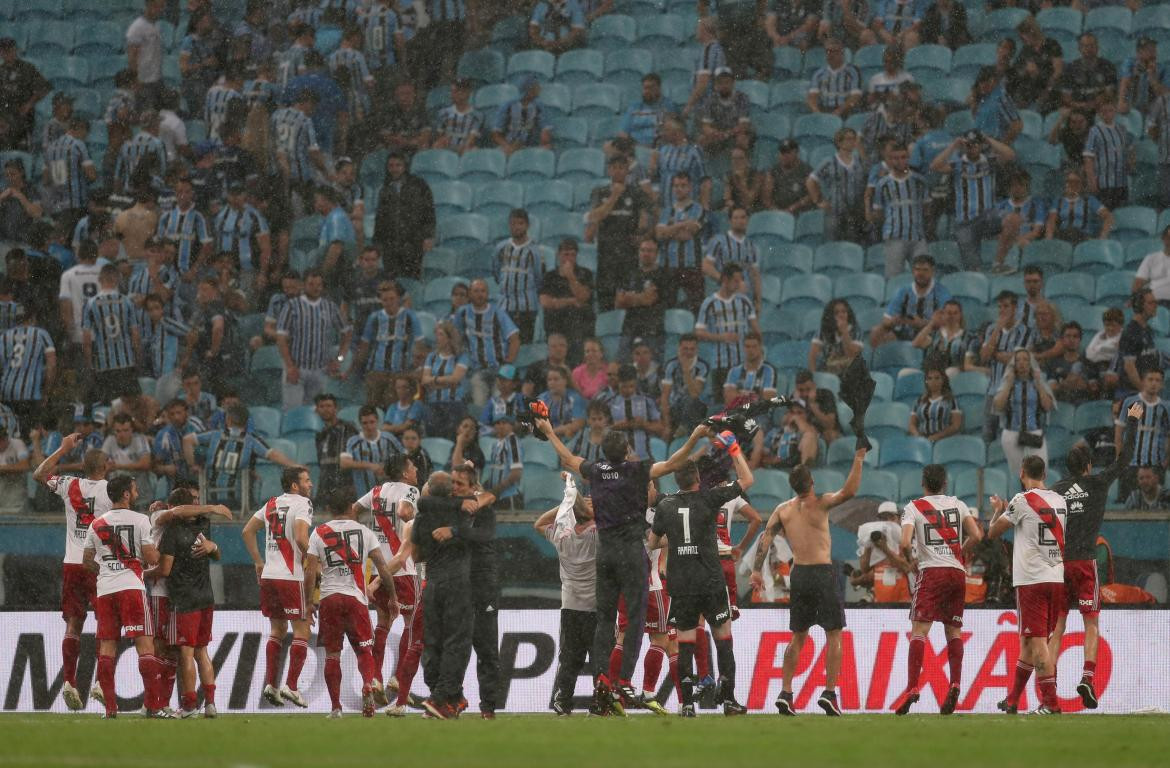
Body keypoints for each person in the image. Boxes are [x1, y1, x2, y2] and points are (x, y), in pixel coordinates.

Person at [534, 414, 711, 714]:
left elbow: (567, 459)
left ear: (604, 452)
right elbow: (673, 463)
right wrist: (694, 436)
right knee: (635, 619)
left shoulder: (597, 471)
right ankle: (624, 681)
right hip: (630, 552)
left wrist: (549, 431)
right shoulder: (638, 471)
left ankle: (603, 674)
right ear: (627, 451)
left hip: (606, 553)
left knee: (605, 619)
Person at [648, 432, 754, 717]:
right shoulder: (710, 498)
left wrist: (676, 539)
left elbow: (652, 543)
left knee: (684, 643)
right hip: (710, 580)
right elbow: (747, 481)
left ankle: (686, 704)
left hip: (682, 584)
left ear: (676, 480)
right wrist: (733, 448)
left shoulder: (666, 505)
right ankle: (729, 700)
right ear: (697, 478)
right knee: (723, 639)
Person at [762, 446, 867, 715]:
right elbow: (850, 491)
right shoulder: (821, 503)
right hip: (821, 573)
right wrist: (858, 458)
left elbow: (766, 539)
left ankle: (786, 692)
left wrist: (753, 570)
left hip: (799, 575)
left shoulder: (783, 510)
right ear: (811, 482)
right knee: (834, 634)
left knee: (798, 637)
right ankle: (830, 693)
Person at [1050, 403, 1140, 709]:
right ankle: (1087, 678)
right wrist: (1131, 422)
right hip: (1085, 562)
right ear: (1088, 465)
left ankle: (1049, 690)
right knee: (1090, 623)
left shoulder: (1056, 490)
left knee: (1058, 626)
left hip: (1059, 564)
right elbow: (1125, 459)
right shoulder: (1098, 483)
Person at [891, 464, 984, 715]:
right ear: (945, 483)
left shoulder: (913, 508)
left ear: (923, 483)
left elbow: (903, 542)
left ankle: (912, 688)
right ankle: (954, 684)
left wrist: (911, 558)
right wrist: (961, 552)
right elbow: (977, 534)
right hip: (957, 573)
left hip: (932, 572)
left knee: (919, 631)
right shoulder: (959, 504)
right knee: (953, 630)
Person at [304, 491, 398, 717]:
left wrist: (308, 602)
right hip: (356, 599)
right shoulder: (364, 532)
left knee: (332, 655)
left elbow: (309, 571)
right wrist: (393, 597)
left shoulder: (318, 533)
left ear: (329, 509)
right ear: (350, 506)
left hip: (329, 599)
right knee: (364, 650)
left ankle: (336, 708)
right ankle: (368, 683)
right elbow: (383, 568)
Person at [411, 471, 496, 720]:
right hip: (459, 583)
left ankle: (447, 696)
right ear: (450, 492)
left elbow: (416, 556)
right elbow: (489, 500)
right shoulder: (462, 512)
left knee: (433, 642)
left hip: (432, 583)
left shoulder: (422, 515)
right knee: (456, 643)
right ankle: (443, 697)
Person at [34, 434, 110, 710]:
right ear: (107, 466)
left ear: (82, 465)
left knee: (74, 623)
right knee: (106, 623)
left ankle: (69, 681)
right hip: (98, 564)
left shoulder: (69, 484)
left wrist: (62, 448)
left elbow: (39, 474)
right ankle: (101, 683)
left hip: (72, 562)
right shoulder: (111, 491)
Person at [988, 456, 1068, 715]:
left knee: (1037, 643)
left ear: (1022, 472)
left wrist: (998, 511)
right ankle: (1012, 700)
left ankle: (1050, 702)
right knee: (1030, 641)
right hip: (1055, 576)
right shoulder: (1059, 501)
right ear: (1045, 473)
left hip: (1032, 580)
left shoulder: (1021, 500)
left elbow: (993, 533)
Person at [81, 476, 160, 718]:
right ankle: (152, 707)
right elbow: (152, 557)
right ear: (125, 494)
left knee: (107, 647)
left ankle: (110, 708)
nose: (136, 493)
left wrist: (107, 569)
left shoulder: (96, 524)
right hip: (131, 589)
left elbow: (86, 561)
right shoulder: (140, 520)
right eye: (134, 489)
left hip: (105, 590)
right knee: (145, 646)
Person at [352, 454, 423, 716]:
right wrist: (415, 520)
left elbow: (354, 509)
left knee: (382, 622)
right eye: (413, 466)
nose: (416, 470)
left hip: (377, 565)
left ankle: (376, 678)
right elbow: (405, 512)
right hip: (401, 567)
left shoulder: (376, 491)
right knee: (411, 623)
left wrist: (360, 534)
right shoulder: (411, 490)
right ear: (405, 473)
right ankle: (397, 677)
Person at [239, 466, 316, 708]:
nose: (310, 484)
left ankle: (271, 684)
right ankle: (291, 687)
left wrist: (258, 562)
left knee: (277, 630)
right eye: (306, 480)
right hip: (289, 577)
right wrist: (315, 559)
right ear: (295, 485)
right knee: (302, 630)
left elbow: (247, 531)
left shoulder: (271, 503)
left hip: (270, 576)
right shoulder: (303, 503)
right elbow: (302, 538)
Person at [154, 488, 225, 718]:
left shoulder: (172, 533)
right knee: (202, 652)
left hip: (184, 599)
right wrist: (213, 547)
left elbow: (164, 570)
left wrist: (141, 573)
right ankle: (211, 704)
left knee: (186, 654)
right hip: (207, 597)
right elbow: (216, 554)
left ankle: (189, 706)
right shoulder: (204, 525)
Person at [535, 474, 598, 715]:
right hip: (595, 606)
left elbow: (539, 524)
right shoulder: (598, 536)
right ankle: (600, 700)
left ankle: (563, 699)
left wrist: (566, 503)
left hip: (570, 606)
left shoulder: (564, 536)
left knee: (570, 656)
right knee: (598, 656)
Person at [452, 463, 504, 717]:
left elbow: (483, 537)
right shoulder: (451, 508)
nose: (454, 488)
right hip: (458, 584)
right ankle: (454, 698)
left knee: (486, 647)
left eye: (459, 484)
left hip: (483, 584)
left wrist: (454, 531)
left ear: (473, 488)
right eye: (453, 483)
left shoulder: (485, 512)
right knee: (456, 645)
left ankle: (488, 706)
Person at [930, 129, 1017, 271]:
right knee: (973, 269)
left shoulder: (990, 161)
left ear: (981, 145)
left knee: (1013, 219)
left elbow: (1010, 155)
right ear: (964, 146)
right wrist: (954, 145)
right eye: (969, 145)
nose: (972, 148)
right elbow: (935, 166)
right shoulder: (957, 164)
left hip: (987, 216)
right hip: (964, 222)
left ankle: (998, 263)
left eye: (975, 144)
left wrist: (988, 139)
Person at [276, 268, 352, 409]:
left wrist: (339, 359)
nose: (316, 288)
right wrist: (289, 366)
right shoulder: (292, 306)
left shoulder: (330, 307)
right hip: (296, 368)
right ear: (303, 285)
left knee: (317, 414)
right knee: (293, 413)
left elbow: (347, 333)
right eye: (311, 284)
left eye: (319, 284)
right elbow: (281, 339)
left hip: (320, 370)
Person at [588, 154, 651, 313]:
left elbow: (644, 220)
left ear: (627, 171)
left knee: (630, 299)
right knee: (606, 301)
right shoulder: (600, 192)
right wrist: (614, 196)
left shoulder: (636, 193)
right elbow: (595, 217)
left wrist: (641, 235)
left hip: (629, 256)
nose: (617, 171)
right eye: (614, 168)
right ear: (609, 170)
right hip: (606, 255)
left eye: (621, 168)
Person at [979, 291, 1035, 443]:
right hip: (992, 390)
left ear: (1015, 308)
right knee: (987, 435)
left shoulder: (1026, 332)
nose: (1002, 310)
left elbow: (1017, 360)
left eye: (1006, 306)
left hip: (1012, 391)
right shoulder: (991, 329)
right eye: (999, 307)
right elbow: (983, 357)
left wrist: (994, 353)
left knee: (1009, 437)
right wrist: (998, 329)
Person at [695, 264, 760, 394]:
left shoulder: (744, 301)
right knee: (723, 406)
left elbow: (756, 330)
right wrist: (721, 337)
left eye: (741, 280)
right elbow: (699, 333)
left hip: (743, 363)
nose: (740, 284)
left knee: (744, 403)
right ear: (725, 280)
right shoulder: (709, 303)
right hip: (720, 364)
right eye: (736, 280)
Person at [83, 264, 142, 406]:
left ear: (99, 279)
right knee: (131, 405)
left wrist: (89, 365)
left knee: (109, 407)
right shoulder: (126, 301)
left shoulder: (91, 304)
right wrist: (137, 359)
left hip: (104, 365)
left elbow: (87, 341)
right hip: (126, 363)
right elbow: (135, 335)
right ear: (117, 279)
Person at [372, 151, 435, 281]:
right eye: (391, 166)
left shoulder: (419, 185)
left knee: (412, 280)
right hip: (391, 245)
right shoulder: (385, 189)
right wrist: (377, 243)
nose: (394, 169)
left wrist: (428, 236)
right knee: (392, 282)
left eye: (398, 165)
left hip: (413, 243)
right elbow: (380, 219)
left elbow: (429, 211)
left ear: (405, 166)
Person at [995, 348, 1054, 481]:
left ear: (1031, 363)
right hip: (1012, 433)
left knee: (1039, 473)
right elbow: (998, 406)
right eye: (1018, 360)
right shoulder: (1007, 382)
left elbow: (1047, 406)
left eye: (1025, 360)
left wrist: (1039, 383)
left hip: (1034, 432)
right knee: (1018, 476)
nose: (1022, 363)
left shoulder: (1039, 382)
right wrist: (1009, 383)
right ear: (1013, 364)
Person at [656, 173, 710, 314]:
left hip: (691, 266)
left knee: (696, 310)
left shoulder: (699, 209)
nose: (679, 189)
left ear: (690, 187)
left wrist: (670, 228)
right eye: (676, 186)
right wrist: (684, 223)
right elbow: (659, 234)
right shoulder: (666, 211)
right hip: (668, 267)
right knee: (666, 309)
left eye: (683, 185)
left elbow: (687, 235)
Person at [871, 254, 951, 347]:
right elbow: (886, 319)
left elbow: (946, 321)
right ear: (913, 271)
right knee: (877, 331)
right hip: (905, 332)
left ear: (932, 271)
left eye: (925, 270)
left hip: (929, 333)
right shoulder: (903, 291)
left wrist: (922, 324)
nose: (921, 274)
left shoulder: (941, 292)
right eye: (917, 269)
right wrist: (895, 320)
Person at [1116, 369, 1170, 501]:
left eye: (1157, 380)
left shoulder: (1166, 407)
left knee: (1156, 505)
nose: (1154, 384)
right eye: (1150, 379)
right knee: (1129, 504)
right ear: (1143, 382)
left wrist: (1166, 461)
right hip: (1131, 464)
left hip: (1156, 465)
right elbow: (1119, 432)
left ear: (1162, 384)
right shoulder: (1131, 402)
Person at [0, 305, 55, 434]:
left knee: (11, 431)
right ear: (32, 318)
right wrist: (46, 391)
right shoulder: (41, 334)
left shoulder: (4, 337)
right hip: (31, 394)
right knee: (31, 434)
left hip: (7, 393)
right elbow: (52, 365)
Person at [807, 127, 867, 243]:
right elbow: (811, 180)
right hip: (834, 211)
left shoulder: (860, 161)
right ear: (839, 142)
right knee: (831, 243)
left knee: (852, 244)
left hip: (855, 212)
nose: (852, 142)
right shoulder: (829, 162)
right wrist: (818, 201)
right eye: (848, 139)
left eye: (853, 139)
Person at [540, 239, 595, 358]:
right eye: (566, 254)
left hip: (579, 327)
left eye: (572, 255)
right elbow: (545, 302)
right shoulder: (549, 276)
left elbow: (583, 297)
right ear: (558, 255)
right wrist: (570, 301)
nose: (569, 258)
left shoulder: (585, 274)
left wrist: (571, 277)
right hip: (555, 325)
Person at [616, 239, 670, 361]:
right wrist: (641, 297)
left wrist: (630, 297)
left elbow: (650, 300)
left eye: (650, 251)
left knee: (653, 370)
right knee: (623, 369)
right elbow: (618, 302)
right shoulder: (630, 273)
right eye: (643, 250)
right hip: (629, 328)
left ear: (657, 254)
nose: (646, 253)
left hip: (653, 330)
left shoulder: (664, 274)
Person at [1082, 96, 1133, 211]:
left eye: (1110, 110)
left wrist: (1130, 163)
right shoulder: (1094, 131)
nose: (1107, 114)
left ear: (1115, 111)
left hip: (1121, 181)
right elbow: (1088, 157)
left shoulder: (1122, 129)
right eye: (1104, 111)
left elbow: (1129, 150)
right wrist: (1091, 180)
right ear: (1099, 113)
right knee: (1106, 213)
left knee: (1120, 212)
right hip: (1103, 182)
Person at [340, 406, 403, 496]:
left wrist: (388, 469)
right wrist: (370, 465)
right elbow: (344, 463)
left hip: (388, 495)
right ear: (360, 424)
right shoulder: (353, 441)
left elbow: (405, 459)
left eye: (372, 422)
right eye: (365, 423)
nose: (369, 426)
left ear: (377, 421)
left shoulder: (389, 438)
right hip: (364, 495)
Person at [492, 77, 553, 154]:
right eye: (537, 87)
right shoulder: (507, 106)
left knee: (547, 149)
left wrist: (543, 143)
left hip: (528, 146)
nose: (540, 89)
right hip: (508, 144)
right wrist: (507, 146)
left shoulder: (539, 106)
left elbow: (545, 130)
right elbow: (496, 134)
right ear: (529, 90)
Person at [806, 38, 863, 117]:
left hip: (845, 111)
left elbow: (855, 96)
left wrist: (839, 111)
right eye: (827, 51)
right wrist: (817, 112)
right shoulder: (819, 74)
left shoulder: (853, 71)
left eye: (834, 51)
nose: (830, 55)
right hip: (824, 110)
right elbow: (812, 97)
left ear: (842, 53)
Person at [434, 77, 483, 155]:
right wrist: (442, 140)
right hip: (447, 146)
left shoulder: (477, 115)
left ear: (467, 93)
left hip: (465, 148)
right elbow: (440, 135)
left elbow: (471, 139)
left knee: (472, 151)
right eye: (453, 91)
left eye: (458, 91)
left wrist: (462, 147)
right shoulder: (444, 113)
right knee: (436, 146)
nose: (454, 94)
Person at [763, 139, 813, 213]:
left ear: (796, 152)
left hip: (800, 212)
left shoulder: (807, 170)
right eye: (782, 152)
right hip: (777, 212)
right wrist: (776, 211)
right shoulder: (773, 171)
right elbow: (766, 197)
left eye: (788, 152)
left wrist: (792, 208)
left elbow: (812, 195)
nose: (785, 156)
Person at [1133, 225, 1170, 304]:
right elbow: (1138, 282)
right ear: (1163, 238)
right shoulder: (1151, 258)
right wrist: (1135, 298)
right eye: (1169, 237)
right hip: (1153, 299)